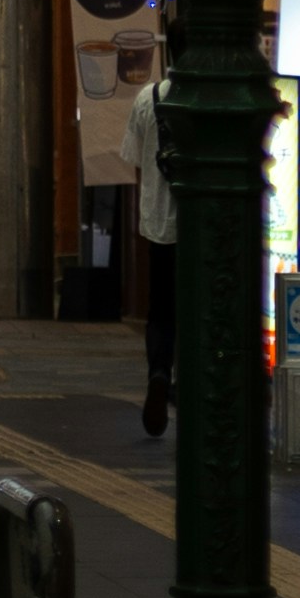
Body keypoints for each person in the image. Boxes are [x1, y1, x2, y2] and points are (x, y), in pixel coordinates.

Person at [126, 42, 178, 435]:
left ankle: (159, 372)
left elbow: (136, 159)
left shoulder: (150, 97)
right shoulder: (213, 95)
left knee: (160, 311)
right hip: (206, 229)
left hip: (159, 225)